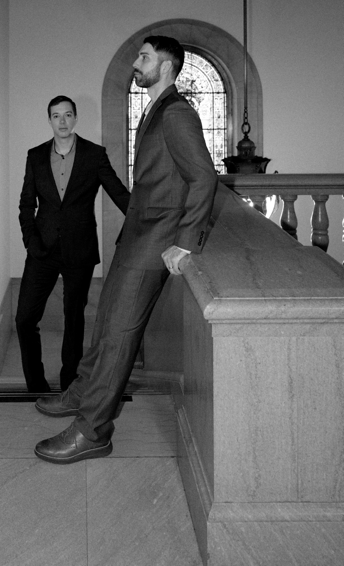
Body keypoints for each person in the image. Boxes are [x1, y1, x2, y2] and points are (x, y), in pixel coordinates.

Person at [34, 36, 217, 464]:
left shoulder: (176, 113)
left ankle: (93, 429)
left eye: (145, 57)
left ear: (168, 66)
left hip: (156, 241)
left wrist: (185, 243)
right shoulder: (154, 111)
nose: (136, 62)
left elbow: (204, 177)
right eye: (138, 56)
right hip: (136, 237)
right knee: (106, 325)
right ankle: (82, 392)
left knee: (119, 336)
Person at [16, 96, 129, 393]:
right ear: (50, 120)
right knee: (24, 318)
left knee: (74, 319)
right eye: (56, 116)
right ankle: (36, 385)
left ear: (76, 118)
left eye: (68, 115)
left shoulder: (94, 155)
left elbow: (118, 192)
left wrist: (147, 218)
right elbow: (26, 204)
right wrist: (31, 241)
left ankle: (70, 385)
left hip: (79, 249)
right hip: (42, 249)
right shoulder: (36, 156)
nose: (62, 121)